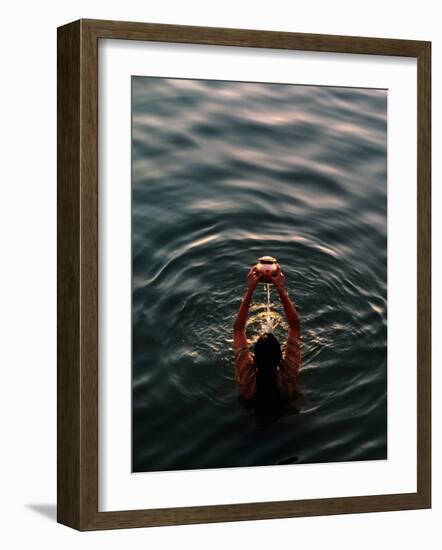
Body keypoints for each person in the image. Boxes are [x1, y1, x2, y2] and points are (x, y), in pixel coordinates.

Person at [233, 264, 301, 413]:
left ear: (253, 358)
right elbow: (295, 326)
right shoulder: (287, 374)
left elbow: (238, 329)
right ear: (280, 358)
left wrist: (250, 290)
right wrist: (282, 292)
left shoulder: (247, 378)